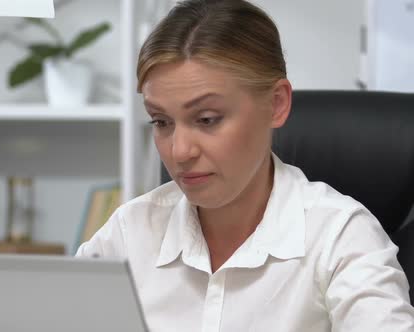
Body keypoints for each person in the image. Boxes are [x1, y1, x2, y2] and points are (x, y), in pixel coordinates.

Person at [76, 0, 414, 331]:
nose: (179, 151)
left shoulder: (340, 236)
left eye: (207, 119)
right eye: (161, 122)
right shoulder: (129, 232)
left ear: (276, 104)